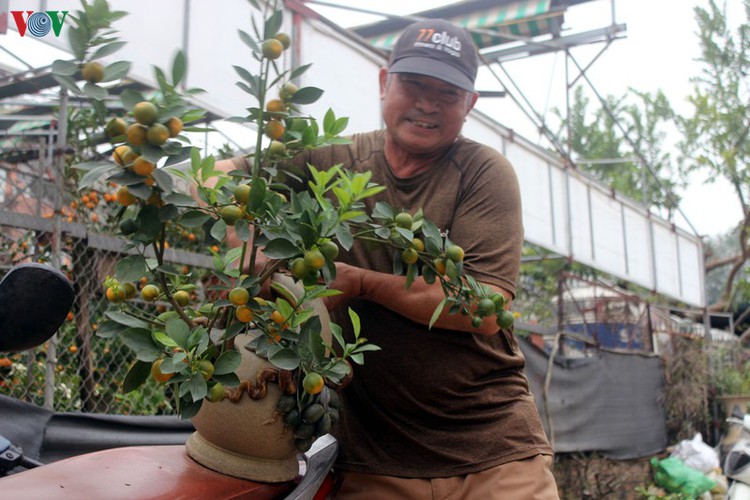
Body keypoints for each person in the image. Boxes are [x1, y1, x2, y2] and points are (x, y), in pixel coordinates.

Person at [225, 18, 558, 499]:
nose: (427, 103)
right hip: (375, 460)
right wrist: (247, 241)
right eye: (414, 84)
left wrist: (361, 283)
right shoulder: (331, 161)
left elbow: (484, 308)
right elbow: (213, 180)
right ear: (385, 82)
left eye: (447, 93)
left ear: (470, 105)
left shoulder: (484, 173)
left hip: (494, 453)